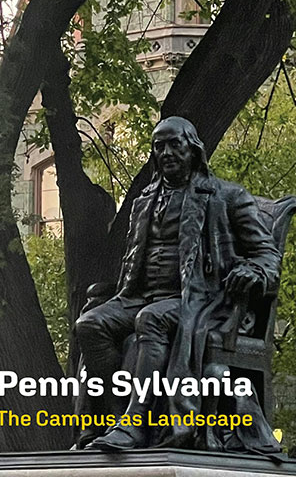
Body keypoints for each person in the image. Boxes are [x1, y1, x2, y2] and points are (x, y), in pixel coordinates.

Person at [75, 116, 281, 452]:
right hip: (139, 296)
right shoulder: (145, 200)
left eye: (175, 144)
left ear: (193, 148)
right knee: (90, 324)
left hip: (200, 300)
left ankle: (135, 424)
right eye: (159, 146)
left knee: (151, 319)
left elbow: (267, 255)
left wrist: (253, 272)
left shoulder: (226, 196)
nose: (167, 152)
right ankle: (111, 419)